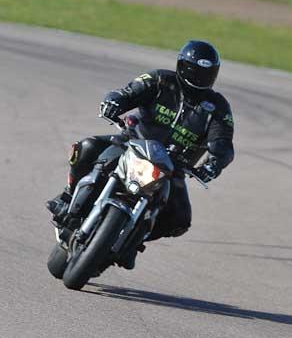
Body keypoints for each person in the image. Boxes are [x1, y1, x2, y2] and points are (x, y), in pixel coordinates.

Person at [46, 40, 235, 267]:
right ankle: (68, 197)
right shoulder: (160, 80)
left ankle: (134, 240)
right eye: (196, 71)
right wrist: (113, 102)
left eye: (208, 73)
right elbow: (128, 92)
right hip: (132, 143)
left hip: (172, 167)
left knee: (180, 219)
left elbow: (223, 141)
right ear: (183, 67)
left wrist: (215, 162)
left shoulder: (217, 107)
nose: (200, 78)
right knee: (87, 147)